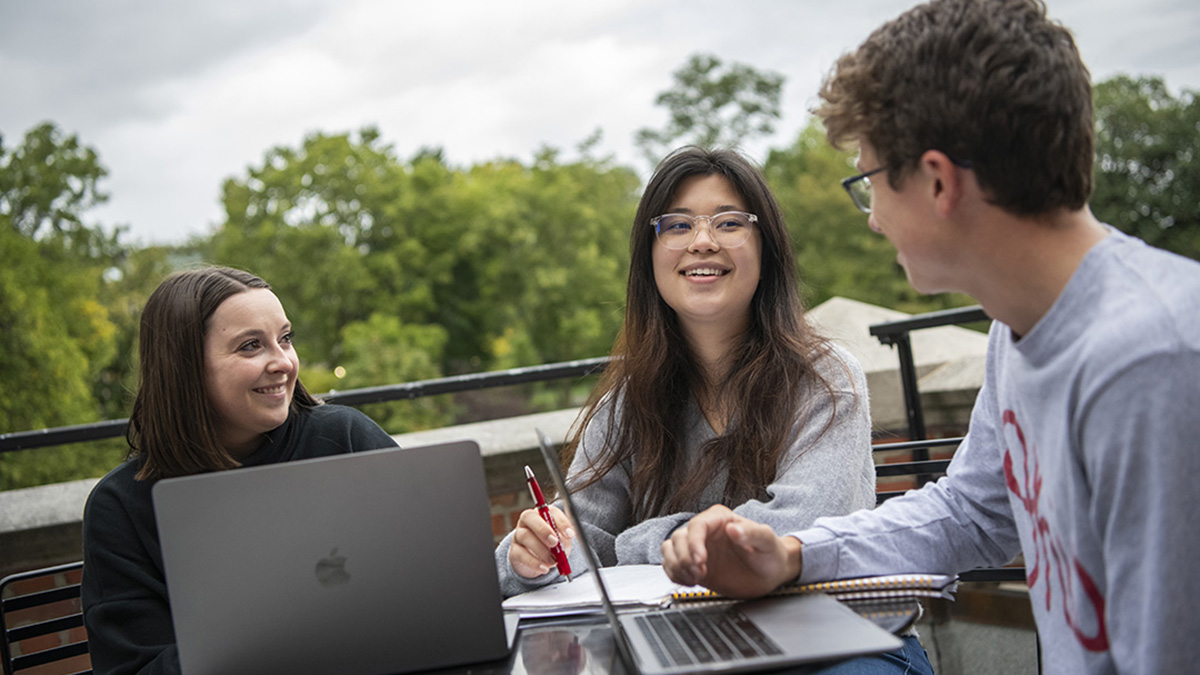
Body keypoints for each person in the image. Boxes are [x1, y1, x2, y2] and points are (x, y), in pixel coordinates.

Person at [661, 1, 1200, 673]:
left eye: (870, 182)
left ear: (939, 181)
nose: (874, 221)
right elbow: (971, 511)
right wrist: (792, 553)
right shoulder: (1022, 324)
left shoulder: (1154, 363)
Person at [496, 147, 933, 671]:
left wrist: (632, 543)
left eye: (728, 222)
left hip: (837, 641)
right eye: (677, 225)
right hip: (694, 644)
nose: (702, 241)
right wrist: (533, 555)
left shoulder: (824, 377)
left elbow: (796, 531)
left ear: (765, 247)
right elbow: (577, 536)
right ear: (649, 255)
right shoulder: (626, 401)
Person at [81, 266, 399, 675]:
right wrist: (269, 616)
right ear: (186, 369)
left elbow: (435, 570)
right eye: (251, 346)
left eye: (285, 338)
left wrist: (506, 561)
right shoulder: (121, 507)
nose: (283, 362)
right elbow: (138, 669)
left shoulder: (343, 436)